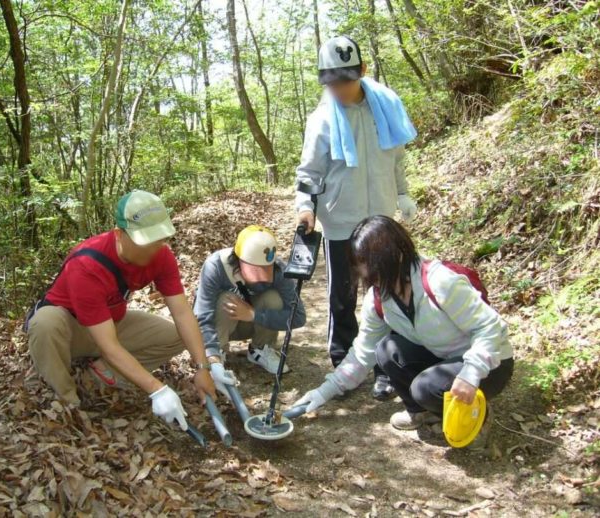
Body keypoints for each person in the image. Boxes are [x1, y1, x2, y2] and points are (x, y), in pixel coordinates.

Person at [293, 216, 514, 435]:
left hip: (491, 364)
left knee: (425, 388)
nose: (365, 273)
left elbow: (491, 328)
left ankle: (478, 416)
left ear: (396, 255)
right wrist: (322, 393)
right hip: (443, 356)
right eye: (361, 265)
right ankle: (423, 411)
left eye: (370, 264)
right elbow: (362, 354)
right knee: (387, 349)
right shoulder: (378, 298)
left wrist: (470, 373)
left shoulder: (439, 282)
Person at [25, 190, 216, 431]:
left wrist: (202, 367)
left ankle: (98, 377)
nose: (152, 248)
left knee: (176, 336)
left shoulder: (161, 255)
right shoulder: (86, 264)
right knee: (44, 324)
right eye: (144, 240)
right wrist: (157, 390)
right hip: (71, 330)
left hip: (111, 322)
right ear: (119, 234)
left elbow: (182, 313)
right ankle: (68, 401)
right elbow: (109, 345)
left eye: (159, 238)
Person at [294, 35, 419, 400]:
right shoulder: (321, 120)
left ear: (362, 72)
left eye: (346, 80)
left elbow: (395, 158)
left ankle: (386, 365)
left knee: (388, 292)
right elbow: (309, 172)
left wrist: (402, 192)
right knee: (343, 295)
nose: (340, 89)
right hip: (340, 220)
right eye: (331, 82)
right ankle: (342, 358)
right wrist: (305, 206)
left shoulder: (386, 108)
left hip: (380, 220)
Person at [193, 225, 306, 396]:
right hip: (222, 326)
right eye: (255, 269)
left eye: (266, 269)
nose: (262, 276)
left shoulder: (279, 270)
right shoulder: (216, 266)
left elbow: (298, 316)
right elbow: (202, 315)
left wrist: (253, 314)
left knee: (273, 298)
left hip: (251, 322)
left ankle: (260, 349)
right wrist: (211, 356)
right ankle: (219, 354)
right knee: (227, 299)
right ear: (238, 260)